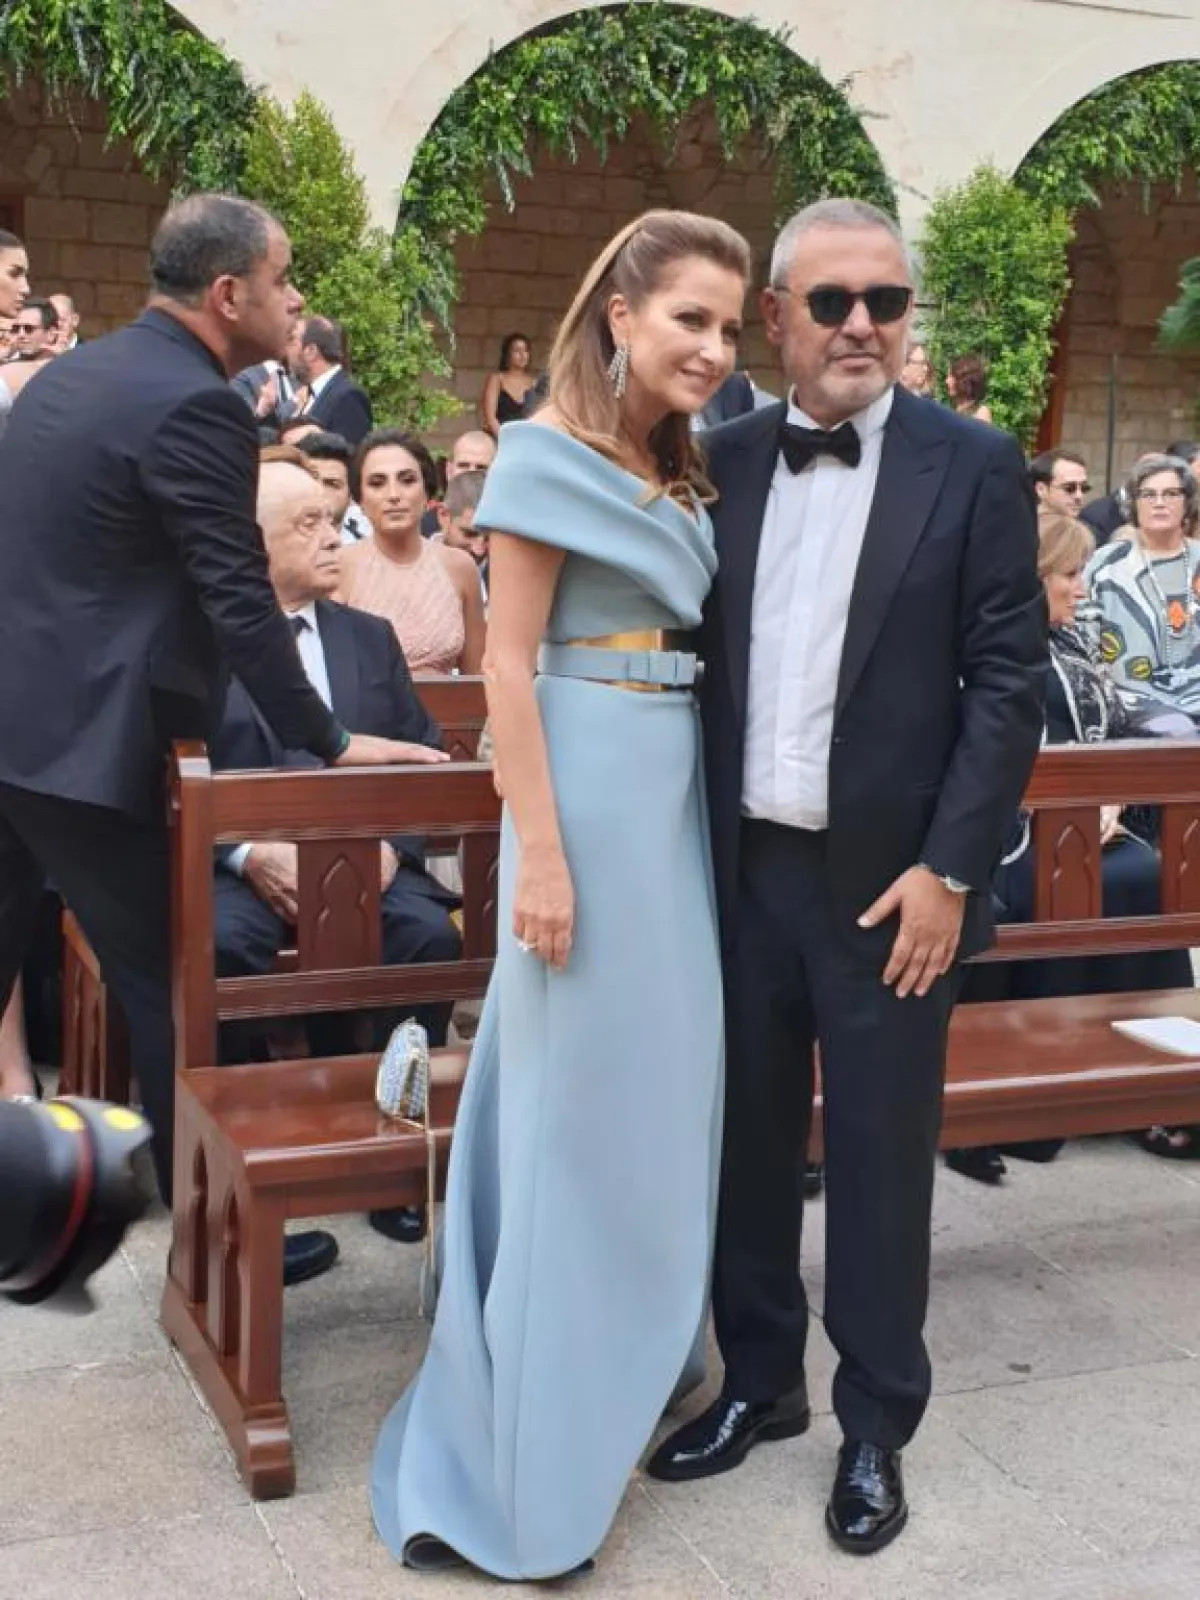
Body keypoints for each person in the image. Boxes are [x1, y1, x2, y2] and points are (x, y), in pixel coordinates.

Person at [646, 199, 1046, 1556]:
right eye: (831, 301)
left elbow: (1008, 681)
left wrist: (950, 867)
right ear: (777, 317)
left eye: (885, 299)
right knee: (748, 1147)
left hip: (893, 891)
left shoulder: (973, 463)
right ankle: (759, 1383)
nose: (862, 323)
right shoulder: (719, 459)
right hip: (740, 871)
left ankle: (876, 1422)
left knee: (879, 1160)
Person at [370, 209, 752, 1580]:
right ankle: (532, 1445)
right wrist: (538, 853)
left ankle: (638, 1358)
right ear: (620, 316)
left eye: (731, 325)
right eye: (691, 318)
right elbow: (507, 668)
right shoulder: (538, 453)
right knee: (576, 1109)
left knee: (660, 1095)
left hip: (670, 787)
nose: (715, 347)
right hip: (583, 789)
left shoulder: (679, 464)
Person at [0, 193, 440, 1205]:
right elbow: (240, 597)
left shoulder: (71, 375)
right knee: (174, 980)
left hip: (17, 727)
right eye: (284, 280)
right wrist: (329, 739)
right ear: (229, 293)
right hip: (83, 742)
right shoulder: (197, 404)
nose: (297, 301)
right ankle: (212, 1234)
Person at [212, 448, 460, 1259]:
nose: (333, 537)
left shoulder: (369, 638)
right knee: (219, 946)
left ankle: (394, 1155)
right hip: (246, 870)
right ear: (253, 546)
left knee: (429, 939)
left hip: (366, 862)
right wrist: (248, 854)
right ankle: (244, 1158)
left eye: (332, 518)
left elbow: (422, 754)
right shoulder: (204, 642)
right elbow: (173, 774)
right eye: (308, 524)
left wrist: (393, 845)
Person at [946, 513, 1195, 1185]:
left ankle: (1153, 1087)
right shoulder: (974, 650)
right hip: (1008, 834)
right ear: (1033, 580)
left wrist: (1116, 790)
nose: (1082, 588)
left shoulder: (1072, 642)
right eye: (1070, 574)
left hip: (1086, 825)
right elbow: (969, 751)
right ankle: (1006, 1102)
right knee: (1053, 886)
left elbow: (1116, 715)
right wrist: (1066, 805)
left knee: (1143, 874)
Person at [338, 430, 486, 674]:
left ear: (427, 494)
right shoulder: (339, 568)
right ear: (360, 500)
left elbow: (476, 680)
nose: (394, 495)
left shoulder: (460, 568)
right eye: (377, 483)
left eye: (407, 480)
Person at [1081, 454, 1200, 726]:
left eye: (1171, 494)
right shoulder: (1105, 565)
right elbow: (1082, 637)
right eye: (1148, 494)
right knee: (1177, 732)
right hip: (1133, 701)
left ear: (1187, 503)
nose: (1159, 502)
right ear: (1134, 503)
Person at [294, 315, 373, 444]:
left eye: (292, 340)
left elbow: (352, 451)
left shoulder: (349, 396)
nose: (286, 348)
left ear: (311, 351)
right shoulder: (311, 394)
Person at [295, 428, 371, 542]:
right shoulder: (271, 547)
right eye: (310, 481)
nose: (319, 491)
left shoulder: (371, 547)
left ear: (351, 496)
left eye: (331, 484)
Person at [419, 428, 496, 535]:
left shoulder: (506, 528)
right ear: (449, 471)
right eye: (463, 465)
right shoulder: (420, 530)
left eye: (481, 467)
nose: (471, 472)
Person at [480, 330, 536, 435]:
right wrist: (505, 439)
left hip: (525, 437)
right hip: (499, 436)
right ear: (507, 355)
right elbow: (490, 418)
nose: (522, 355)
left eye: (526, 351)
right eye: (517, 351)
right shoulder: (497, 379)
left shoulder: (533, 382)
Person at [1029, 448, 1091, 518]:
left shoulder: (1086, 523)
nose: (1079, 496)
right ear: (1041, 489)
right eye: (1069, 488)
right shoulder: (1023, 523)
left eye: (1084, 488)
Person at [945, 352, 993, 423]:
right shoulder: (952, 410)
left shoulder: (980, 413)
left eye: (952, 377)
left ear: (966, 381)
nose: (947, 381)